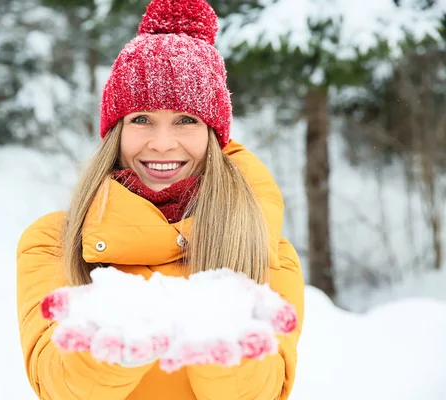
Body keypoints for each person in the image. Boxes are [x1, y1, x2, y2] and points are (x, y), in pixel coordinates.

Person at [16, 0, 305, 399]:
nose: (163, 143)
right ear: (115, 133)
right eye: (141, 119)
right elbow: (55, 386)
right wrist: (112, 351)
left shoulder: (262, 246)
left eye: (186, 120)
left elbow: (266, 392)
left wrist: (220, 349)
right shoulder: (54, 242)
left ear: (213, 136)